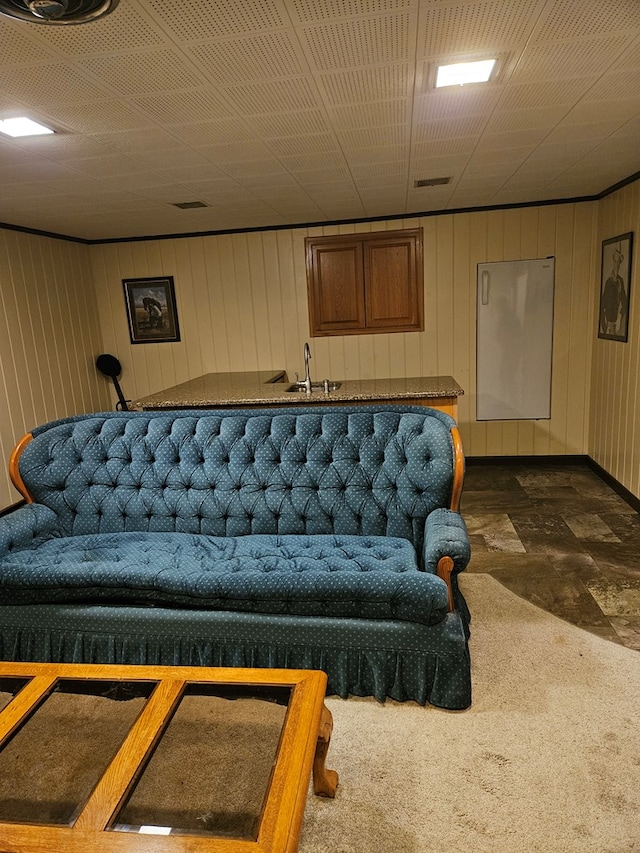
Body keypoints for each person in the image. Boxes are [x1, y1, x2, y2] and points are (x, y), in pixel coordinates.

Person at [600, 245, 627, 336]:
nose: (617, 264)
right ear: (613, 262)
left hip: (616, 321)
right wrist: (605, 325)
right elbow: (602, 304)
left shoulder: (620, 281)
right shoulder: (608, 282)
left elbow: (624, 302)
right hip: (608, 322)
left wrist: (620, 317)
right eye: (615, 261)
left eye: (619, 262)